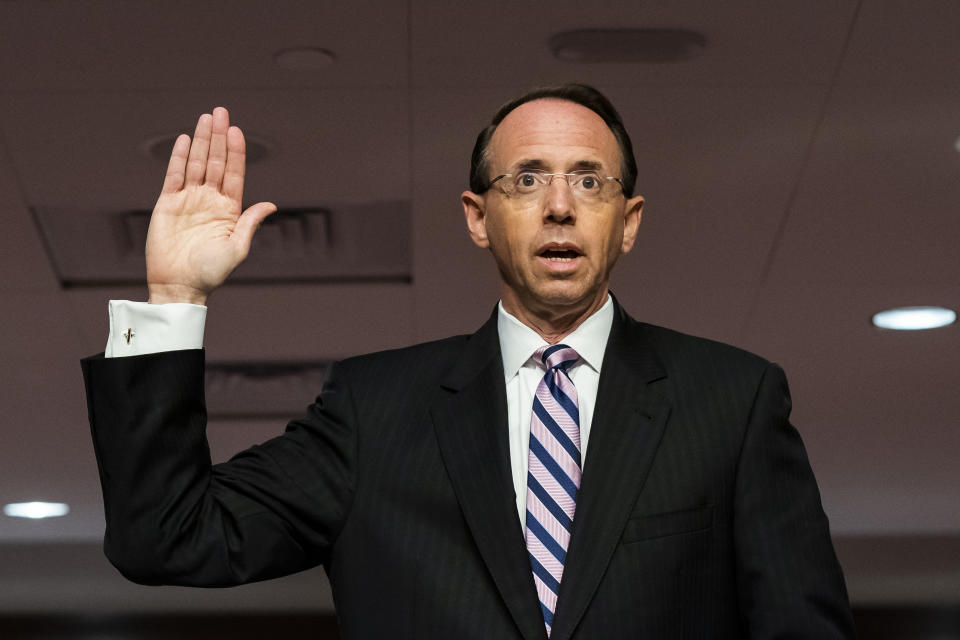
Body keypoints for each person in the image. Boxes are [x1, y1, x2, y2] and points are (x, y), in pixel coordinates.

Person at [81, 84, 855, 639]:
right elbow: (167, 538)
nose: (560, 205)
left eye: (589, 180)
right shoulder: (373, 409)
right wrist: (173, 294)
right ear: (478, 218)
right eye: (527, 179)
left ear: (628, 222)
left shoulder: (733, 398)